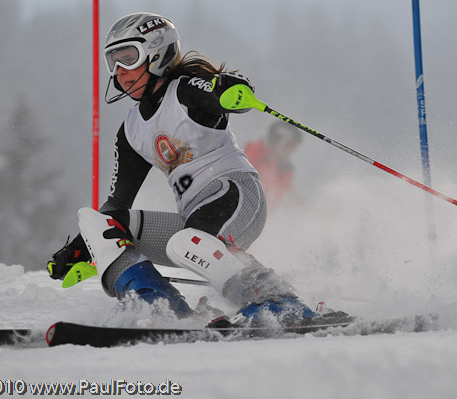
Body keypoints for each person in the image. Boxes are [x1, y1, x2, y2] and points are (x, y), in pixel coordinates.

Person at [47, 12, 315, 326]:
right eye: (113, 63)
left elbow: (223, 93)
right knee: (97, 222)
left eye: (129, 58)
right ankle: (157, 304)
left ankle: (278, 303)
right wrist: (83, 246)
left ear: (157, 53)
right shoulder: (132, 129)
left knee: (187, 243)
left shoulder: (186, 92)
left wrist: (229, 89)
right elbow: (117, 205)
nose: (120, 72)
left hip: (236, 194)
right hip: (193, 222)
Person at [244, 121, 302, 211]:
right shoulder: (256, 154)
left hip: (258, 218)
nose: (290, 151)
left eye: (294, 147)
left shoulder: (284, 170)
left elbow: (289, 197)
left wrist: (314, 210)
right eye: (288, 145)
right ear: (275, 141)